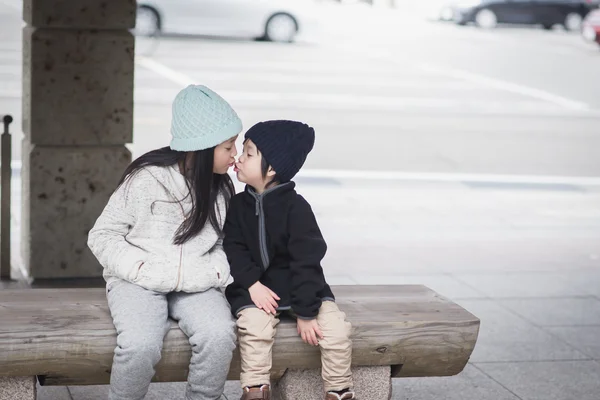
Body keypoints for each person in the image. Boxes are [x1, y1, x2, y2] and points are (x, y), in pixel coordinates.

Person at [88, 84, 241, 400]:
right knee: (140, 343)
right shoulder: (146, 179)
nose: (235, 154)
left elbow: (226, 243)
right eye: (228, 147)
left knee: (219, 334)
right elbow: (102, 235)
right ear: (203, 147)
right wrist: (140, 268)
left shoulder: (221, 189)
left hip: (196, 284)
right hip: (138, 283)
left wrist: (214, 271)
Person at [223, 120, 355, 400]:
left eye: (248, 153)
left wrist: (306, 312)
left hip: (302, 289)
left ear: (271, 169)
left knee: (335, 331)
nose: (239, 158)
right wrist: (251, 284)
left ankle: (339, 390)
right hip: (257, 291)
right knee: (253, 328)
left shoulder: (296, 208)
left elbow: (307, 261)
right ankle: (256, 389)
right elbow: (233, 249)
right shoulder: (237, 205)